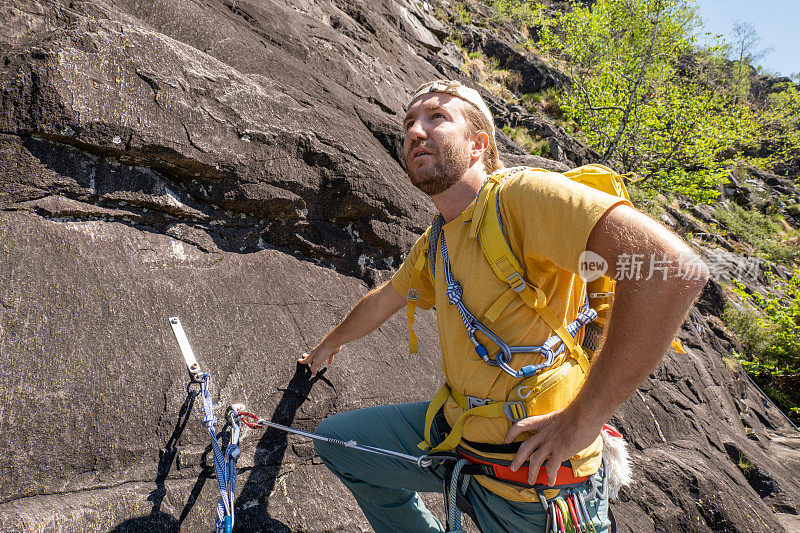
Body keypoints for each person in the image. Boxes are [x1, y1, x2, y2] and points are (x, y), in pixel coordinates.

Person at [298, 80, 709, 532]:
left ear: (478, 145)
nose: (416, 130)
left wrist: (584, 419)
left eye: (437, 117)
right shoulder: (436, 240)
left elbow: (673, 269)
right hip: (460, 436)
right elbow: (384, 300)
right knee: (338, 443)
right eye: (409, 123)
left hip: (536, 485)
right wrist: (328, 345)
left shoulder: (520, 198)